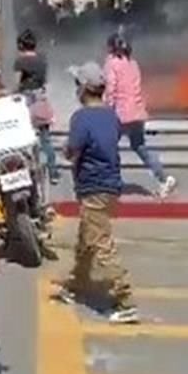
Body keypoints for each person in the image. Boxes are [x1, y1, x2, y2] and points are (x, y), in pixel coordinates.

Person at [53, 61, 139, 324]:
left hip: (93, 187)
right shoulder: (111, 116)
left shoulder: (81, 118)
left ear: (83, 89)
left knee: (101, 244)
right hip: (111, 185)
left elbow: (74, 150)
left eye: (77, 85)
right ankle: (75, 285)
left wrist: (66, 149)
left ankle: (125, 300)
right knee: (86, 241)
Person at [103, 33, 176, 198]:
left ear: (111, 48)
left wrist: (106, 109)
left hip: (121, 114)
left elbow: (111, 89)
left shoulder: (111, 64)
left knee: (108, 147)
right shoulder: (133, 64)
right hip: (137, 112)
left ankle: (110, 182)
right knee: (140, 146)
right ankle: (164, 178)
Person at [14, 29, 60, 184]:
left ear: (21, 45)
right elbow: (44, 80)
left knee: (23, 139)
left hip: (26, 102)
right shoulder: (42, 59)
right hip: (41, 99)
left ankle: (26, 172)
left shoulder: (20, 61)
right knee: (46, 140)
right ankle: (53, 172)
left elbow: (17, 82)